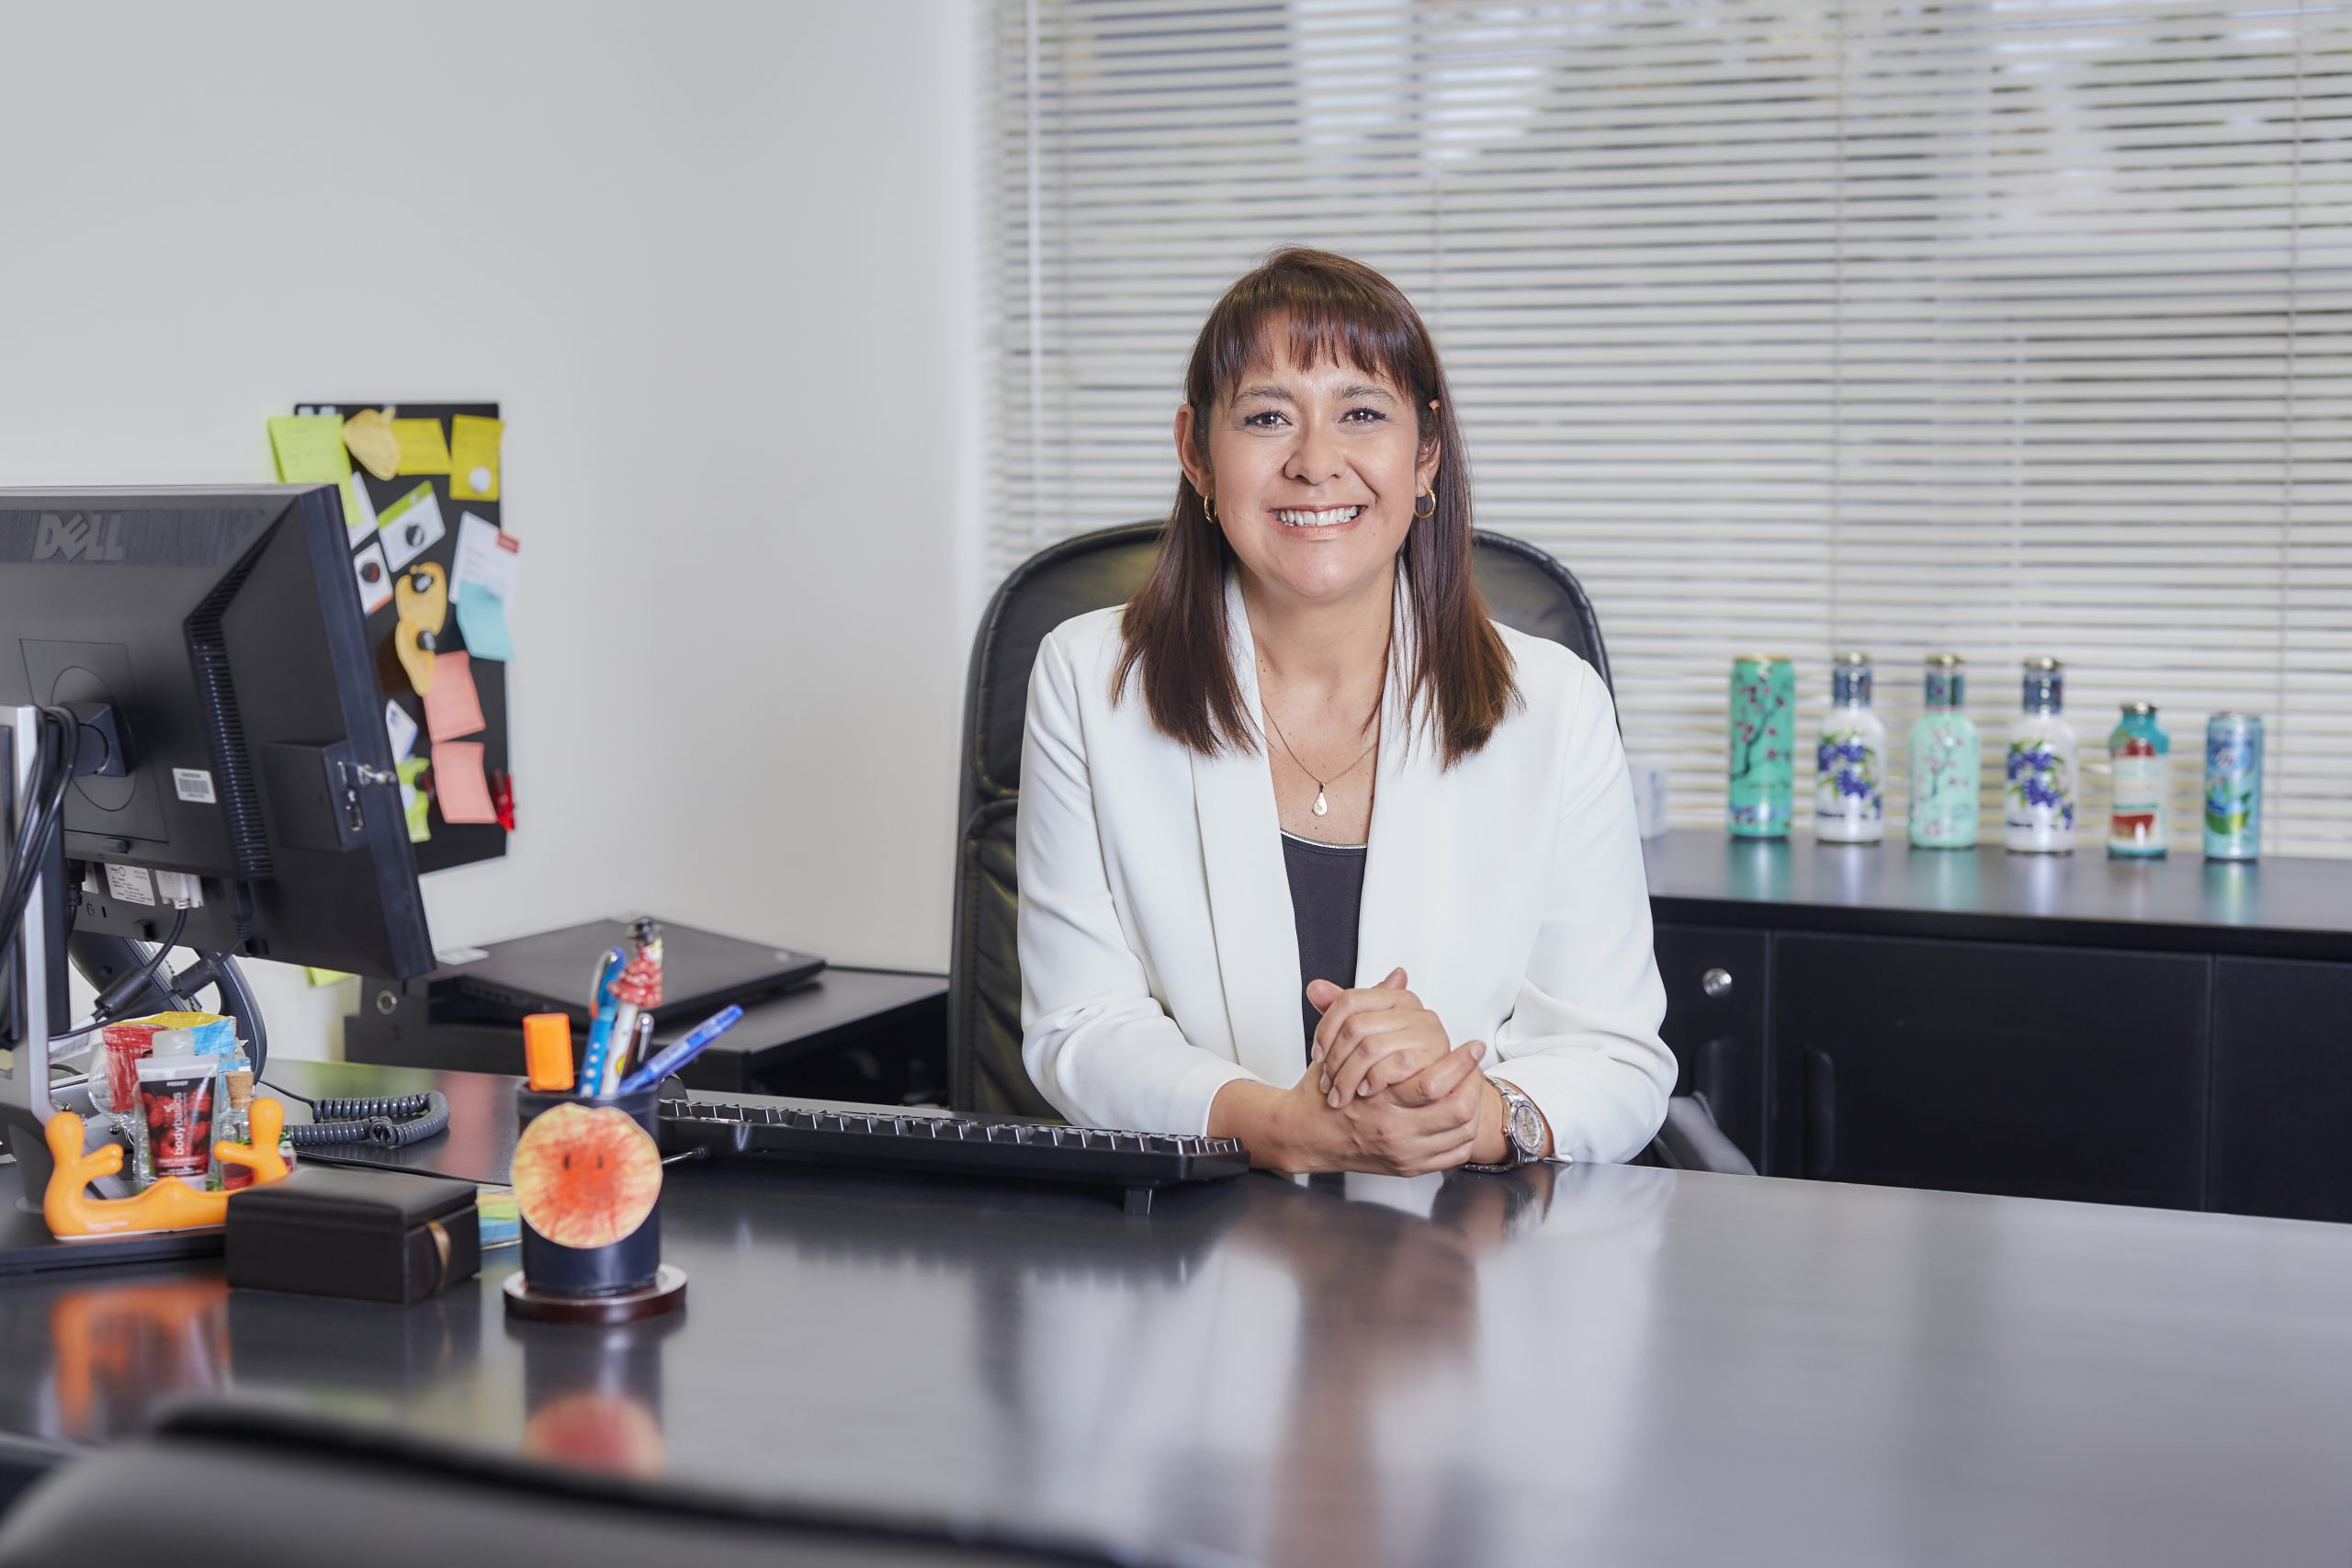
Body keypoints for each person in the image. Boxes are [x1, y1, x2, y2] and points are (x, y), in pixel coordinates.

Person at [1016, 248, 1671, 1175]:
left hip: (1463, 1262)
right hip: (1194, 1254)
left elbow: (1617, 1057)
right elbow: (1080, 1026)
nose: (1316, 462)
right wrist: (1276, 1124)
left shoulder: (1554, 707)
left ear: (1425, 455)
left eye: (1361, 414)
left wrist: (1475, 1114)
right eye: (1267, 417)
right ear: (1196, 454)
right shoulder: (1088, 682)